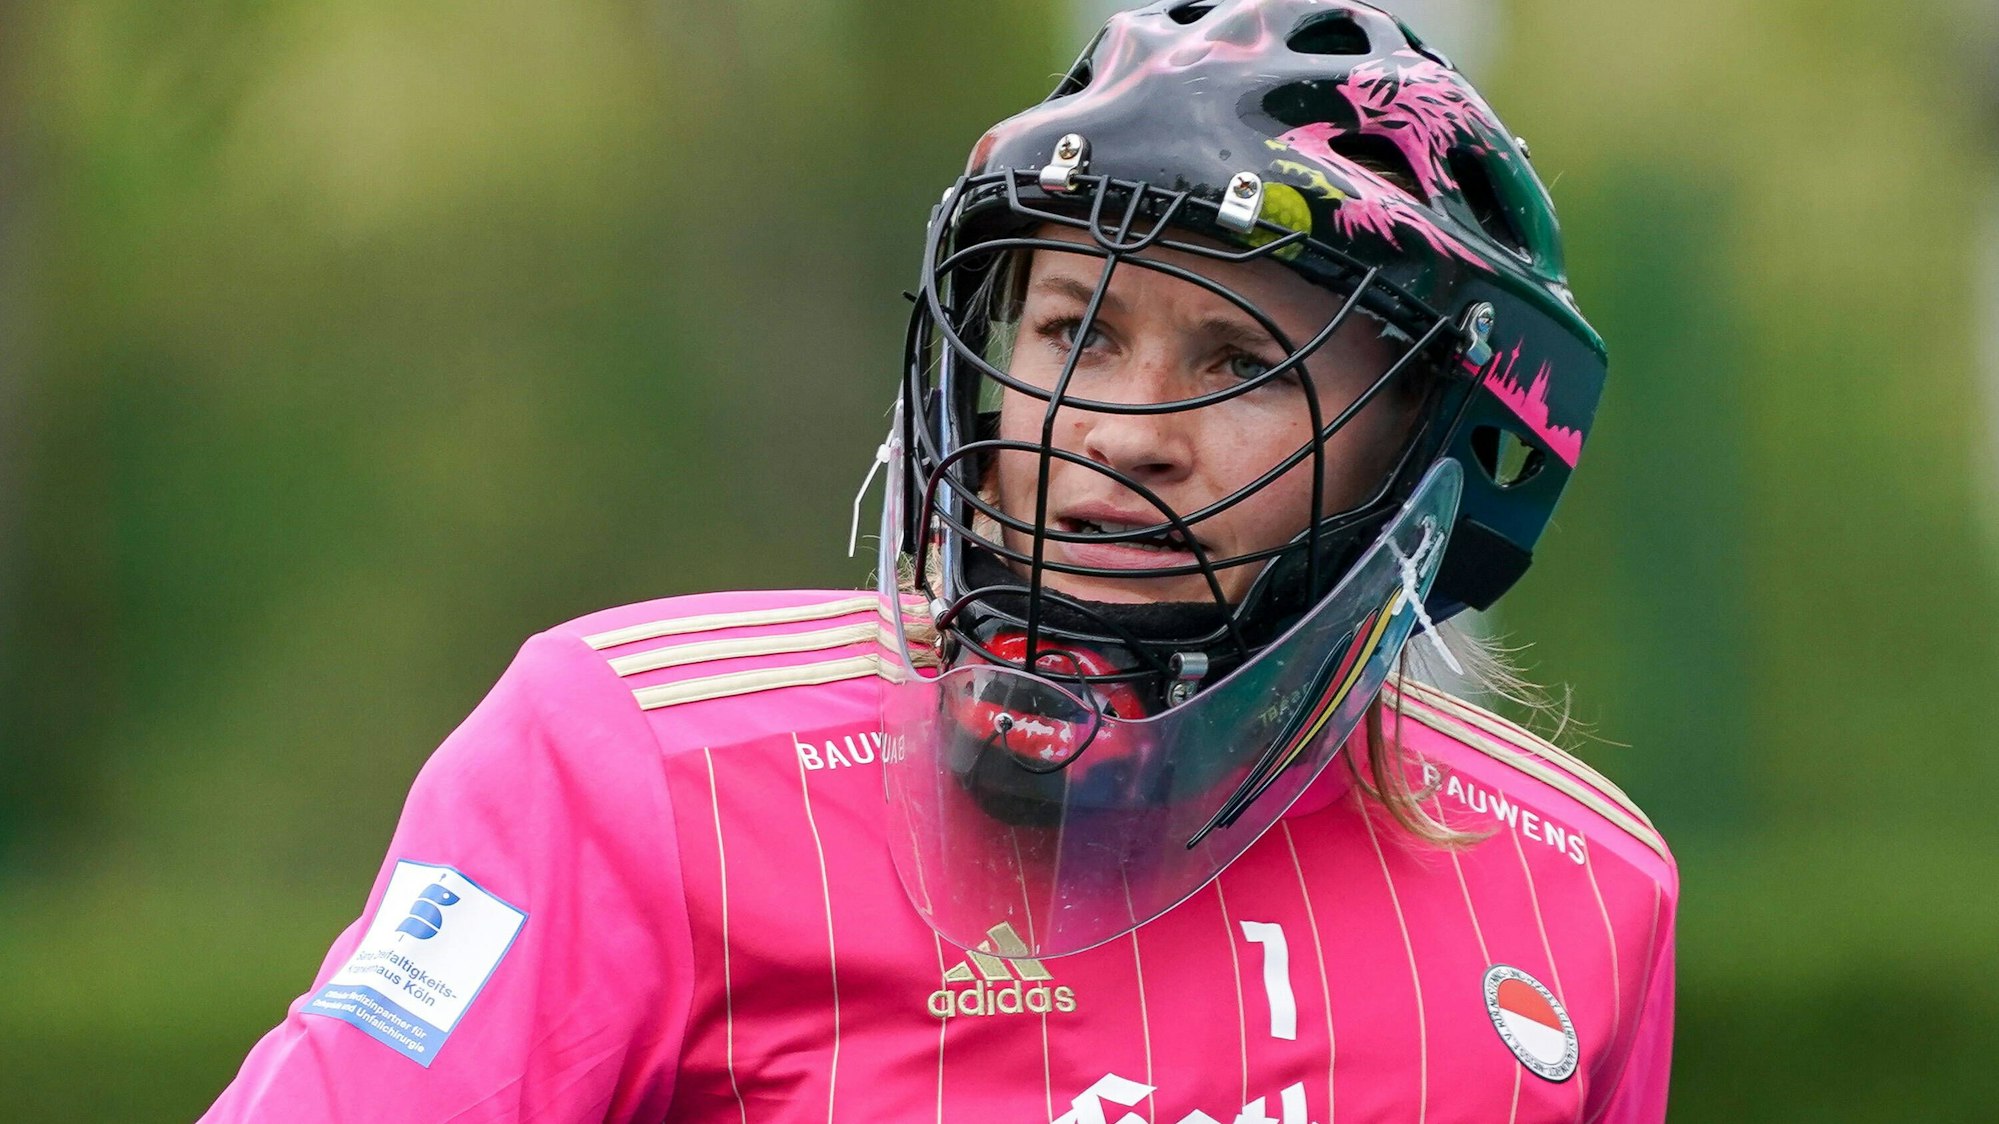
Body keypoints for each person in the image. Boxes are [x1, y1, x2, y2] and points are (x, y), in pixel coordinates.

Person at [201, 1, 1676, 1121]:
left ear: (1436, 449)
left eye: (1240, 363)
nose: (1121, 429)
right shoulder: (630, 757)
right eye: (1072, 332)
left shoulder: (1584, 896)